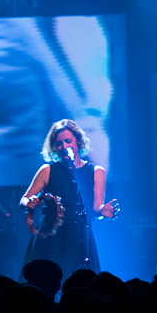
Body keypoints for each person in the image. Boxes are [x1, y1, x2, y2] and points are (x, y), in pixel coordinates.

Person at [18, 119, 117, 277]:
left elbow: (97, 207)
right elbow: (24, 199)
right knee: (45, 280)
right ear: (53, 147)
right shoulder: (48, 170)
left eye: (68, 141)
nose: (64, 147)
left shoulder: (96, 171)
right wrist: (28, 203)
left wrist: (103, 210)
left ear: (78, 141)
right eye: (58, 143)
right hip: (51, 233)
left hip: (79, 234)